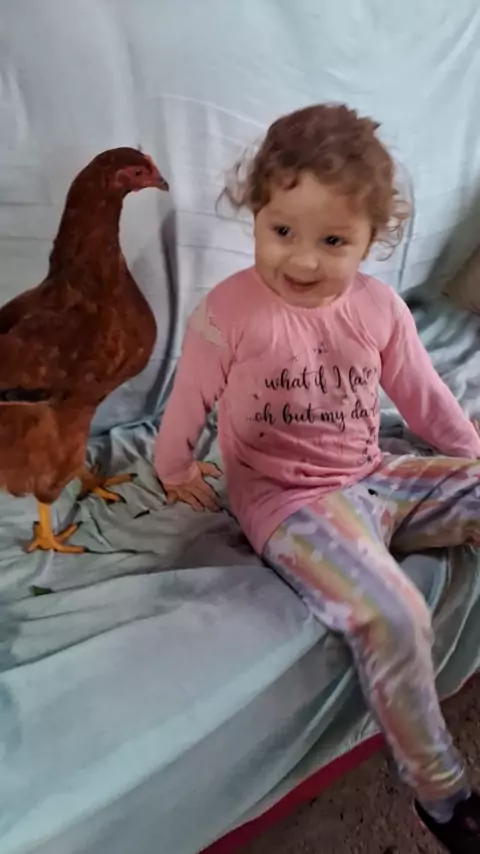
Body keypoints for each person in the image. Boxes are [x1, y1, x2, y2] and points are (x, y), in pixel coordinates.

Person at [154, 103, 480, 853]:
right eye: (282, 232)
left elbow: (424, 396)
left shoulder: (379, 308)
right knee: (394, 613)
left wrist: (467, 456)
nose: (302, 260)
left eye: (333, 241)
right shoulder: (227, 313)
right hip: (291, 503)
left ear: (372, 237)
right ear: (257, 214)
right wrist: (174, 467)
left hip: (375, 473)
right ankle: (441, 794)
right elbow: (188, 399)